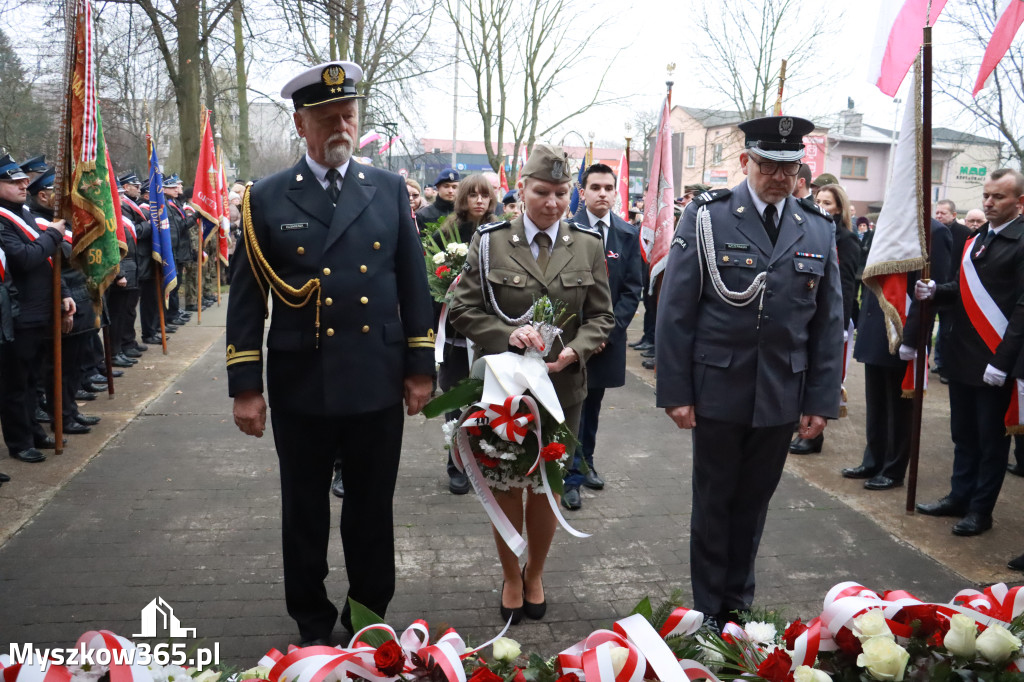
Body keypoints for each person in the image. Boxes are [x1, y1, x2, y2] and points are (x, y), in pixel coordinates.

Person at [227, 60, 435, 646]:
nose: (341, 126)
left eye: (349, 114)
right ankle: (312, 623)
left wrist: (421, 367)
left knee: (372, 510)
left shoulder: (389, 189)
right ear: (301, 124)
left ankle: (368, 615)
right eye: (327, 118)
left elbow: (413, 285)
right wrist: (246, 387)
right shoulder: (264, 199)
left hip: (376, 377)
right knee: (305, 513)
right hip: (302, 382)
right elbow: (246, 302)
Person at [655, 116, 843, 628]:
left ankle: (739, 605)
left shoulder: (818, 227)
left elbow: (828, 324)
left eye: (789, 166)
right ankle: (708, 610)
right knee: (714, 502)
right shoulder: (707, 216)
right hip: (717, 386)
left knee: (754, 504)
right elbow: (676, 310)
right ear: (746, 162)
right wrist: (676, 391)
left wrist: (820, 401)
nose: (779, 176)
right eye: (768, 164)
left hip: (783, 391)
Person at [449, 143, 614, 624]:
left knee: (547, 487)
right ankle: (510, 575)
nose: (552, 202)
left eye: (562, 193)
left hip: (562, 392)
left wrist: (575, 350)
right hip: (505, 391)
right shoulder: (490, 241)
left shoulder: (586, 244)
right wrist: (506, 335)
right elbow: (461, 309)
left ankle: (535, 571)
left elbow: (601, 316)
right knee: (505, 482)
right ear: (521, 189)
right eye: (542, 191)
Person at [914, 169, 1024, 537]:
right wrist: (937, 291)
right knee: (963, 434)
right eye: (987, 195)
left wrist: (1003, 362)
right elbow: (964, 291)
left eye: (999, 197)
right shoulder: (976, 239)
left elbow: (1023, 309)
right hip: (962, 355)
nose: (989, 203)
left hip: (994, 359)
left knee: (991, 442)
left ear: (1019, 202)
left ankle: (981, 510)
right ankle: (958, 497)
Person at [841, 218, 952, 489]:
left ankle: (893, 468)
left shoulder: (934, 232)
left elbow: (931, 291)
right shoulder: (890, 223)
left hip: (903, 329)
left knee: (900, 407)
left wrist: (913, 339)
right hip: (876, 325)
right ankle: (873, 460)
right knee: (876, 402)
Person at [560, 163, 642, 511]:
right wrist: (582, 336)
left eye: (609, 187)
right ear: (582, 190)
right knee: (569, 408)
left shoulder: (625, 233)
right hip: (571, 342)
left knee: (592, 407)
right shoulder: (565, 231)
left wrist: (606, 331)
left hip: (607, 341)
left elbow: (631, 288)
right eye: (595, 187)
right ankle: (567, 475)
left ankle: (585, 462)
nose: (603, 194)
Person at [0, 153, 74, 463]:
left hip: (42, 309)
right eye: (14, 181)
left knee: (33, 379)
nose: (23, 184)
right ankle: (19, 441)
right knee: (16, 383)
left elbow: (49, 262)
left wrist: (64, 294)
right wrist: (54, 233)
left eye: (23, 180)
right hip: (19, 313)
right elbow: (26, 257)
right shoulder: (5, 219)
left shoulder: (24, 213)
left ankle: (34, 431)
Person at [434, 174, 499, 494]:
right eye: (471, 194)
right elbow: (435, 277)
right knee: (456, 398)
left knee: (487, 400)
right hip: (457, 336)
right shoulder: (447, 232)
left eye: (484, 195)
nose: (478, 200)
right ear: (462, 198)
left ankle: (484, 460)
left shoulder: (500, 232)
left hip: (488, 334)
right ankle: (456, 465)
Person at [790, 183, 860, 454]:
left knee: (824, 377)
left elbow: (844, 285)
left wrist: (840, 325)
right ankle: (801, 425)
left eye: (827, 203)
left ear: (839, 208)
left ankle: (814, 435)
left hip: (832, 319)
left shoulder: (846, 238)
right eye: (817, 200)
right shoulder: (810, 231)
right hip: (807, 314)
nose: (820, 205)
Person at [933, 198, 971, 382]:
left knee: (947, 331)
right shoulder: (931, 230)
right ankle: (933, 361)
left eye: (943, 213)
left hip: (952, 288)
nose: (939, 216)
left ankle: (945, 367)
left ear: (954, 215)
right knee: (926, 327)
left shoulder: (965, 234)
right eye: (937, 212)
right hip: (931, 287)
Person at [416, 169, 459, 233]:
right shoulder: (423, 215)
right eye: (446, 186)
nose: (450, 191)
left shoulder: (464, 213)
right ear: (438, 187)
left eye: (454, 187)